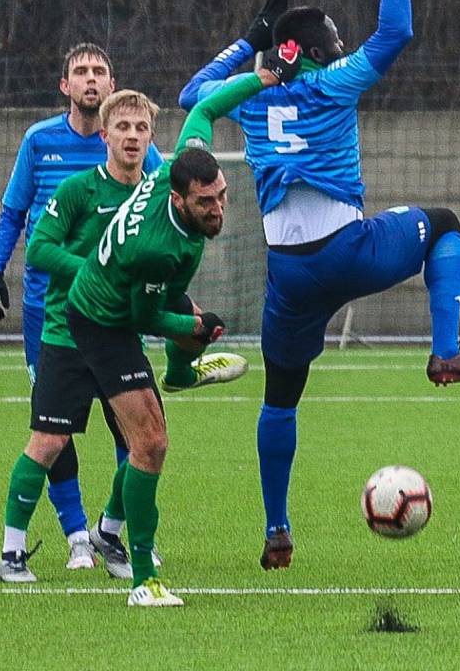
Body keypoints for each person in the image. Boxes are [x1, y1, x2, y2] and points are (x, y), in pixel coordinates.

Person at [178, 0, 460, 572]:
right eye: (328, 36)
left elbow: (191, 97)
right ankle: (444, 349)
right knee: (443, 225)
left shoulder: (246, 102)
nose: (337, 42)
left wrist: (248, 40)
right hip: (347, 250)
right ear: (309, 50)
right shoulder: (333, 84)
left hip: (288, 276)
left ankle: (276, 530)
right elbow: (396, 33)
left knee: (280, 398)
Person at [63, 50, 300, 606]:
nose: (218, 209)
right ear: (178, 199)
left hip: (130, 299)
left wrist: (262, 78)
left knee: (179, 338)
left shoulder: (187, 160)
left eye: (221, 197)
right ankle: (142, 578)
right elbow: (143, 318)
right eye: (206, 203)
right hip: (101, 318)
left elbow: (210, 104)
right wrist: (193, 328)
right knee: (151, 445)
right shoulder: (157, 249)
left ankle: (181, 376)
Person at [0, 89, 249, 584]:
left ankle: (110, 534)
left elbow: (155, 296)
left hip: (119, 330)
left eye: (141, 129)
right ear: (104, 135)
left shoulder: (155, 189)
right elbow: (41, 249)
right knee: (49, 440)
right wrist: (94, 271)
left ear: (151, 139)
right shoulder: (77, 191)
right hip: (67, 331)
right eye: (123, 128)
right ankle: (12, 552)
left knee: (141, 440)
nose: (132, 136)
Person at [0, 43, 165, 569]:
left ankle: (113, 531)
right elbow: (16, 215)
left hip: (116, 318)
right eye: (80, 72)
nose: (90, 79)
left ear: (111, 87)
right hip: (51, 313)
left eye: (99, 71)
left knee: (131, 428)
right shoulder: (41, 142)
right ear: (66, 86)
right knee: (54, 429)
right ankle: (75, 534)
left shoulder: (139, 154)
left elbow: (158, 219)